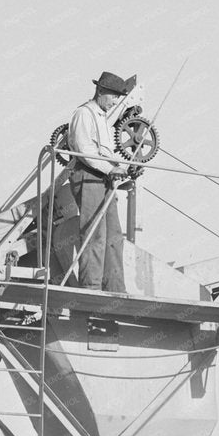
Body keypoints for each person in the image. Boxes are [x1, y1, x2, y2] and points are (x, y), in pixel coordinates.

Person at [54, 71, 134, 292]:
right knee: (94, 232)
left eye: (118, 97)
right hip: (88, 176)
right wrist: (111, 169)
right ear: (100, 91)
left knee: (114, 236)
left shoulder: (102, 118)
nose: (115, 101)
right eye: (113, 96)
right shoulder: (84, 113)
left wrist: (120, 168)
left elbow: (106, 153)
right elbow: (84, 150)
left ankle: (115, 288)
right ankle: (92, 286)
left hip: (105, 178)